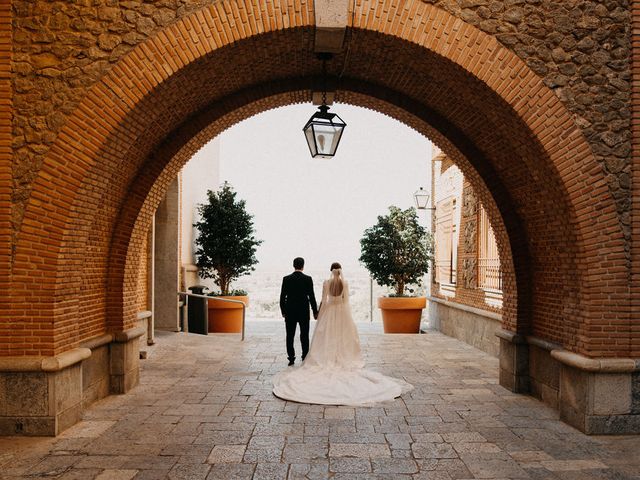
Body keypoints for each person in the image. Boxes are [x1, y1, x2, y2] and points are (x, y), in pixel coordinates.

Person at [273, 262, 413, 405]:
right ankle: (313, 355)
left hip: (321, 312)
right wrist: (316, 310)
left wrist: (318, 312)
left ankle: (292, 357)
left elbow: (321, 299)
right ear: (340, 271)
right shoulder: (344, 283)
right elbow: (345, 301)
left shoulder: (323, 282)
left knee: (308, 336)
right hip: (340, 313)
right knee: (335, 336)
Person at [279, 257, 318, 366]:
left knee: (290, 335)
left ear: (293, 265)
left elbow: (282, 297)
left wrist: (283, 310)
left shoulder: (286, 279)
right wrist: (315, 311)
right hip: (303, 311)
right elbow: (311, 297)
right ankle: (304, 356)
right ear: (303, 266)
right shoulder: (308, 279)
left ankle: (291, 358)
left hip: (290, 311)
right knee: (304, 335)